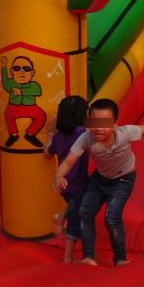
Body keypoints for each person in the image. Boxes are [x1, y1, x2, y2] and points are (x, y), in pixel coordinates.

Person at [52, 98, 144, 266]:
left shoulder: (124, 133)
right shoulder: (85, 138)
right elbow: (69, 161)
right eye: (94, 122)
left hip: (123, 180)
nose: (98, 128)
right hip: (100, 179)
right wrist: (58, 176)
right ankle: (89, 257)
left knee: (111, 217)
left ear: (115, 124)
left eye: (104, 123)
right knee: (84, 212)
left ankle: (120, 258)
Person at [46, 96, 90, 264]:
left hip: (63, 184)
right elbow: (107, 125)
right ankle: (68, 257)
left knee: (74, 205)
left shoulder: (58, 136)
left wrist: (50, 132)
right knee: (76, 218)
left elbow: (47, 154)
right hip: (77, 183)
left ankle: (61, 216)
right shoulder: (81, 132)